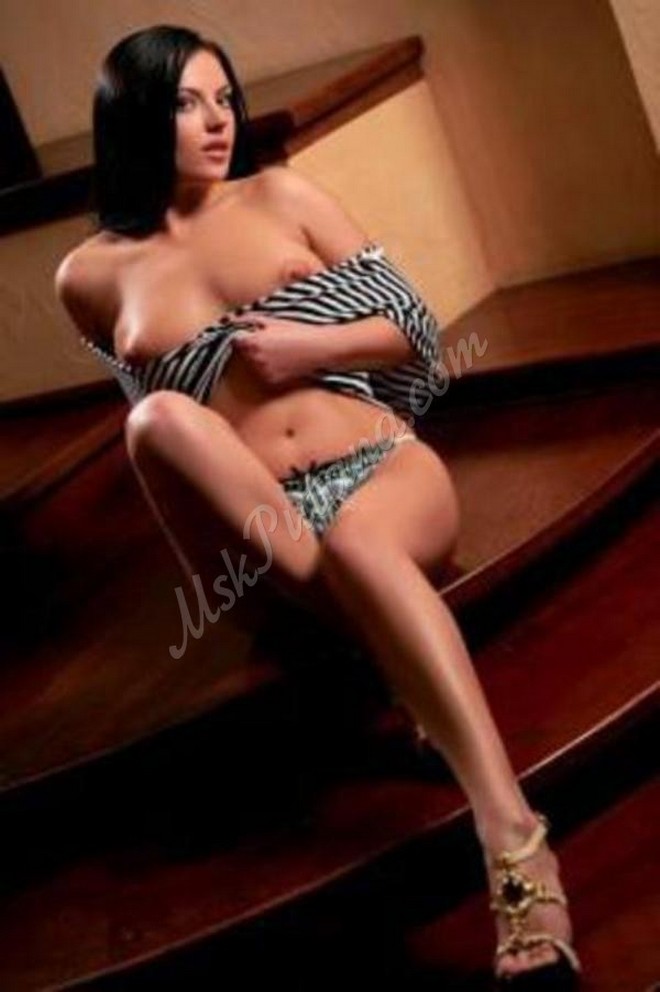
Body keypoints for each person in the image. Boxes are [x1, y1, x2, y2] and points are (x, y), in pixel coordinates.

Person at [54, 24, 581, 988]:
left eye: (225, 99)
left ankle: (513, 841)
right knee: (156, 417)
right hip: (262, 530)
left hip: (380, 474)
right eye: (187, 103)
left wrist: (312, 348)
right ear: (133, 117)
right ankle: (398, 647)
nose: (218, 121)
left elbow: (414, 329)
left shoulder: (281, 197)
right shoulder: (87, 277)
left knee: (358, 542)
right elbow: (167, 438)